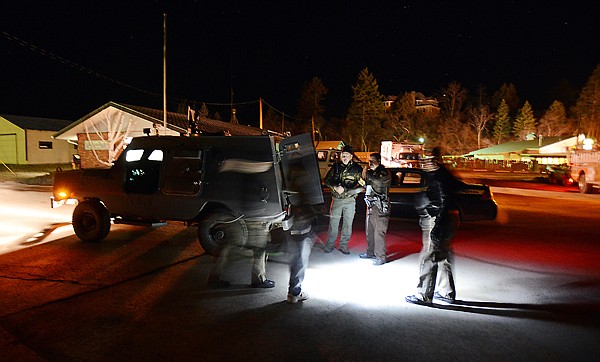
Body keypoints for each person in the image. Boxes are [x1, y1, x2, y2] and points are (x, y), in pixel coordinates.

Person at [405, 147, 461, 305]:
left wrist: (437, 227)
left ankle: (423, 295)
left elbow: (444, 201)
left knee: (429, 256)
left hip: (438, 219)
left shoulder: (438, 177)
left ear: (436, 160)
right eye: (424, 159)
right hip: (446, 218)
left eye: (428, 159)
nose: (425, 163)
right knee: (443, 256)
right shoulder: (443, 175)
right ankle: (447, 292)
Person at [206, 221, 275, 289]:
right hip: (255, 222)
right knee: (259, 249)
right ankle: (259, 279)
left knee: (227, 247)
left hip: (237, 220)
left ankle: (214, 278)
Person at [323, 145, 364, 254]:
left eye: (346, 155)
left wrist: (353, 191)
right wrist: (335, 187)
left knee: (347, 224)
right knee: (333, 223)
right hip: (337, 200)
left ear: (351, 156)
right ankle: (329, 244)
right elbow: (327, 180)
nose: (344, 157)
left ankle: (344, 245)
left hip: (350, 201)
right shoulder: (336, 167)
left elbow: (363, 185)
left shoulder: (357, 169)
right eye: (342, 155)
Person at [360, 153, 391, 265]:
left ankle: (381, 257)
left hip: (380, 206)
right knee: (370, 231)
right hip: (371, 205)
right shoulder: (370, 172)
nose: (370, 163)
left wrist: (367, 173)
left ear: (379, 160)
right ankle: (370, 252)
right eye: (369, 161)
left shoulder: (384, 172)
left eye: (373, 160)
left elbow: (377, 181)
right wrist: (364, 173)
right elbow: (364, 183)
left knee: (379, 232)